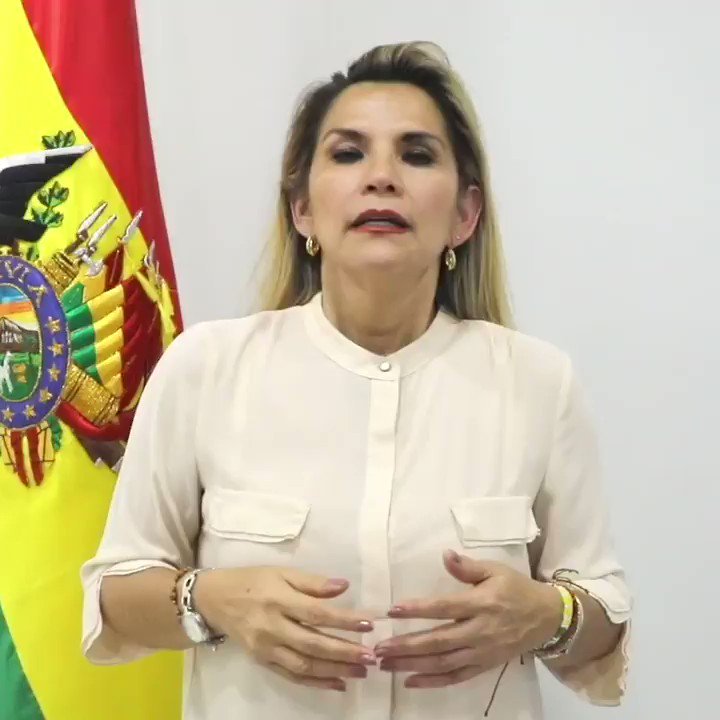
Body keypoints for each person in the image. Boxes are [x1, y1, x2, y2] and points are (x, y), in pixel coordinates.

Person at [81, 41, 632, 719]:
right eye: (348, 153)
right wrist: (211, 599)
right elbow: (113, 595)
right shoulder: (207, 368)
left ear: (465, 214)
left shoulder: (538, 383)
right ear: (302, 209)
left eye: (417, 154)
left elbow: (605, 619)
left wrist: (551, 614)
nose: (382, 177)